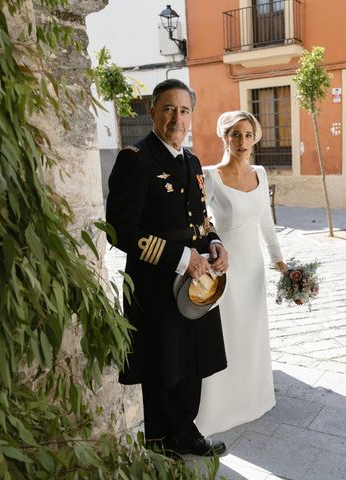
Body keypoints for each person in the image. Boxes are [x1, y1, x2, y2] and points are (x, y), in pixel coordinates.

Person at [105, 79, 228, 457]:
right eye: (169, 109)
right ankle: (160, 444)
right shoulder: (135, 159)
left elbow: (200, 219)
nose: (178, 118)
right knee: (162, 365)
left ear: (192, 116)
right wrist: (179, 258)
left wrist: (215, 242)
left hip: (197, 281)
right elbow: (120, 230)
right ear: (152, 111)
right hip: (156, 282)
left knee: (192, 362)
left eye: (185, 110)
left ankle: (186, 433)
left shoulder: (190, 161)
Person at [194, 110, 287, 435]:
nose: (242, 141)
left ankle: (254, 399)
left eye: (248, 135)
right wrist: (206, 252)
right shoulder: (210, 175)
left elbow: (266, 222)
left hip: (254, 270)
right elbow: (198, 221)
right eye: (235, 134)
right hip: (225, 268)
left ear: (255, 138)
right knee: (224, 335)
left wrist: (281, 263)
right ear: (224, 137)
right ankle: (218, 410)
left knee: (252, 334)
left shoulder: (260, 174)